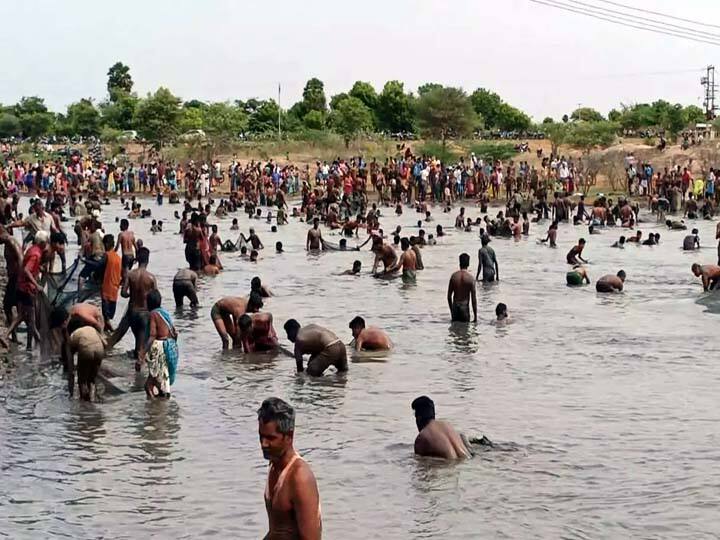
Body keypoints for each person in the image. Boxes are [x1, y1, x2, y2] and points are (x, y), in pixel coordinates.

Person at [258, 397, 322, 540]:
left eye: (270, 438)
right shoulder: (273, 464)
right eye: (261, 436)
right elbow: (277, 530)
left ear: (289, 436)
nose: (264, 444)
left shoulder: (300, 478)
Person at [108, 247, 157, 365]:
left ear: (138, 259)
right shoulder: (151, 278)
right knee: (141, 348)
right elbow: (155, 298)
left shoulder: (130, 275)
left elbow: (123, 293)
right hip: (144, 315)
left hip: (132, 312)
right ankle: (138, 377)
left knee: (115, 338)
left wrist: (133, 294)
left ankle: (104, 355)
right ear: (148, 260)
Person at [6, 231, 48, 349]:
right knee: (31, 319)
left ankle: (6, 335)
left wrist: (38, 267)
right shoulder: (36, 254)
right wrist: (36, 284)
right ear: (43, 243)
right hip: (27, 289)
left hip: (20, 286)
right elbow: (26, 270)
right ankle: (30, 347)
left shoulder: (32, 249)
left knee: (21, 316)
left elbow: (28, 266)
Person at [145, 289, 178, 399]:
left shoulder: (153, 314)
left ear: (149, 303)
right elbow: (174, 332)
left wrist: (142, 353)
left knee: (149, 384)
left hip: (158, 347)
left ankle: (155, 406)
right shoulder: (165, 313)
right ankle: (162, 401)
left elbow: (152, 335)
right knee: (162, 377)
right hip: (169, 345)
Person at [283, 319, 348, 376]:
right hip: (341, 345)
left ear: (292, 330)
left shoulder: (298, 340)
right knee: (343, 372)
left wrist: (300, 377)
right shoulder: (308, 329)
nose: (288, 337)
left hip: (331, 348)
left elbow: (299, 365)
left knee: (311, 371)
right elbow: (317, 349)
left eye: (287, 333)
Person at [0, 225, 22, 341]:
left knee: (9, 306)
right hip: (14, 278)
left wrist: (20, 278)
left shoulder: (10, 241)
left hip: (16, 278)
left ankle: (14, 336)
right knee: (17, 309)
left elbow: (20, 258)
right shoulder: (7, 243)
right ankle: (16, 337)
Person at [101, 234, 122, 331]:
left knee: (106, 315)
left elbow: (99, 267)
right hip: (115, 288)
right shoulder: (118, 258)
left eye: (104, 244)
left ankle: (108, 327)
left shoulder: (106, 255)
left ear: (107, 244)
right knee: (111, 313)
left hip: (106, 287)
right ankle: (107, 329)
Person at [448, 253, 478, 322]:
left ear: (459, 263)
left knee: (454, 331)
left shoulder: (454, 276)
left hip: (455, 307)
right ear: (468, 264)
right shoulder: (470, 278)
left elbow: (449, 296)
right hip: (464, 308)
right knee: (465, 331)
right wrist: (475, 316)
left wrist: (451, 311)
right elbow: (474, 300)